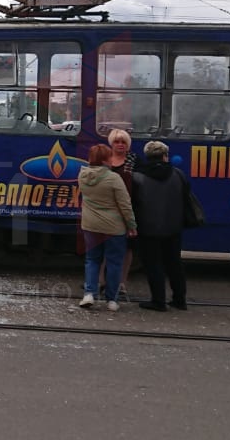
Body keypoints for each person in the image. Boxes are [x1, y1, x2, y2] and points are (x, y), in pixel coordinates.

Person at [131, 140, 189, 311]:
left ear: (147, 157)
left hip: (148, 228)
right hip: (173, 227)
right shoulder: (178, 174)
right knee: (174, 263)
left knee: (153, 264)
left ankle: (159, 301)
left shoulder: (137, 176)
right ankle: (179, 300)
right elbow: (185, 198)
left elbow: (134, 203)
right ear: (165, 156)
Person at [78, 143, 137, 312]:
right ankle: (111, 300)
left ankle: (89, 293)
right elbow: (125, 205)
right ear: (105, 159)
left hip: (90, 226)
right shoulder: (114, 178)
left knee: (92, 260)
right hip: (113, 227)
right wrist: (132, 225)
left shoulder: (82, 175)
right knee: (114, 263)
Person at [105, 128, 140, 298]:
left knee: (126, 248)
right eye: (117, 141)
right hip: (105, 209)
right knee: (103, 246)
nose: (120, 145)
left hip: (127, 209)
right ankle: (100, 282)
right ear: (111, 143)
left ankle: (121, 283)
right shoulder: (104, 161)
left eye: (123, 142)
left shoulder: (134, 162)